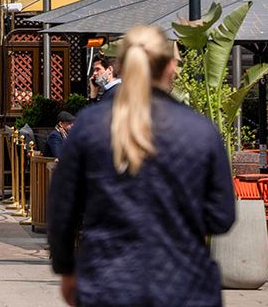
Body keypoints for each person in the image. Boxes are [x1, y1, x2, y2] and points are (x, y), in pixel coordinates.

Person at [47, 25, 235, 307]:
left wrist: (66, 267)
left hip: (108, 281)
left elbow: (62, 207)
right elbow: (222, 216)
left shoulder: (90, 125)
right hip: (185, 283)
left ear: (120, 67)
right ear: (171, 67)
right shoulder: (200, 130)